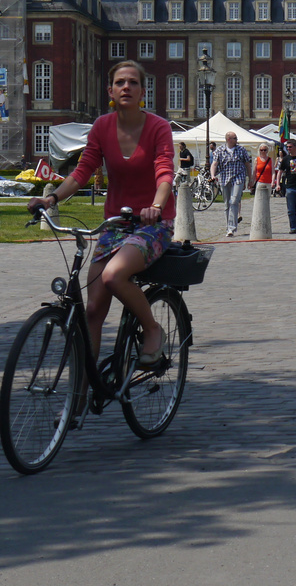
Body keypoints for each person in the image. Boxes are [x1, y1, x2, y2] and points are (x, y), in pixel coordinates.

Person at [26, 60, 174, 367]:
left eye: (133, 82)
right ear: (110, 90)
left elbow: (164, 173)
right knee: (92, 309)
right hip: (115, 224)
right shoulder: (102, 127)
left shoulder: (158, 127)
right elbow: (82, 172)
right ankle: (80, 395)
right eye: (120, 82)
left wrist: (156, 207)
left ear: (142, 91)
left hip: (152, 224)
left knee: (113, 276)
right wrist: (51, 198)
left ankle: (152, 328)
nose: (126, 87)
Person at [209, 131, 252, 237]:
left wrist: (250, 179)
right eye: (235, 138)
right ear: (229, 139)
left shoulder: (241, 150)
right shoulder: (220, 150)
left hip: (238, 178)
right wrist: (213, 175)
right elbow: (214, 164)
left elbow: (247, 164)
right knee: (227, 203)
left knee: (234, 201)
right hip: (224, 178)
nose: (237, 140)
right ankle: (229, 226)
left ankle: (232, 227)